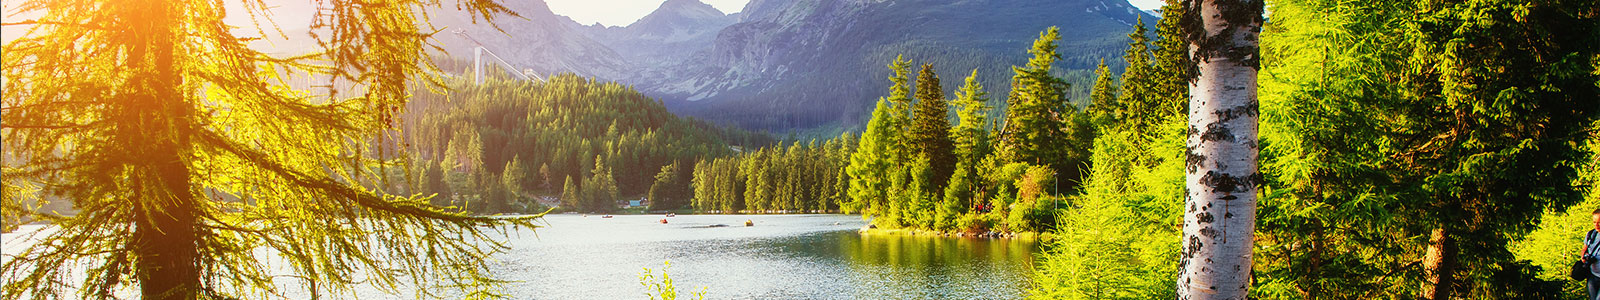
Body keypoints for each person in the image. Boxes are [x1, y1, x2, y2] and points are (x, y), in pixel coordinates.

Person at [1582, 207, 1600, 299]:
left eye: (1599, 222)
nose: (1596, 225)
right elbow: (1584, 248)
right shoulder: (1591, 234)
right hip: (1593, 275)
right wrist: (1583, 257)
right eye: (1594, 222)